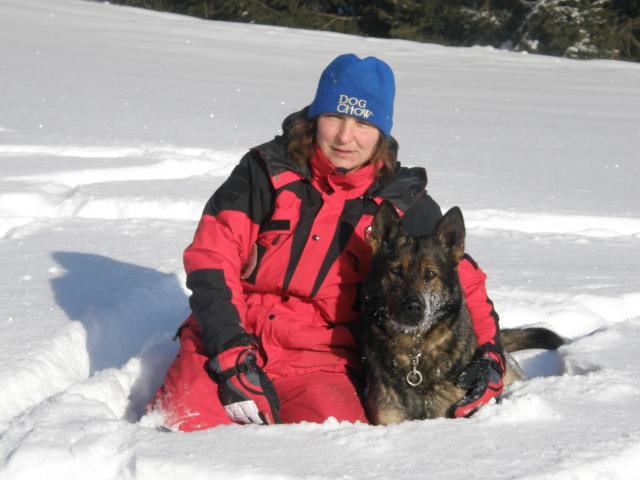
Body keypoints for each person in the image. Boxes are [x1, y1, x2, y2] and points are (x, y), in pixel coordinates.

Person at [151, 53, 506, 431]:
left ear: (382, 133)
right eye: (335, 116)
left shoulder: (404, 202)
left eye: (363, 123)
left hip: (320, 361)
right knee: (184, 432)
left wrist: (490, 355)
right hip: (228, 342)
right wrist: (230, 352)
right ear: (315, 116)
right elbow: (212, 257)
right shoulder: (266, 170)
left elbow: (463, 281)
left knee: (339, 448)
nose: (344, 137)